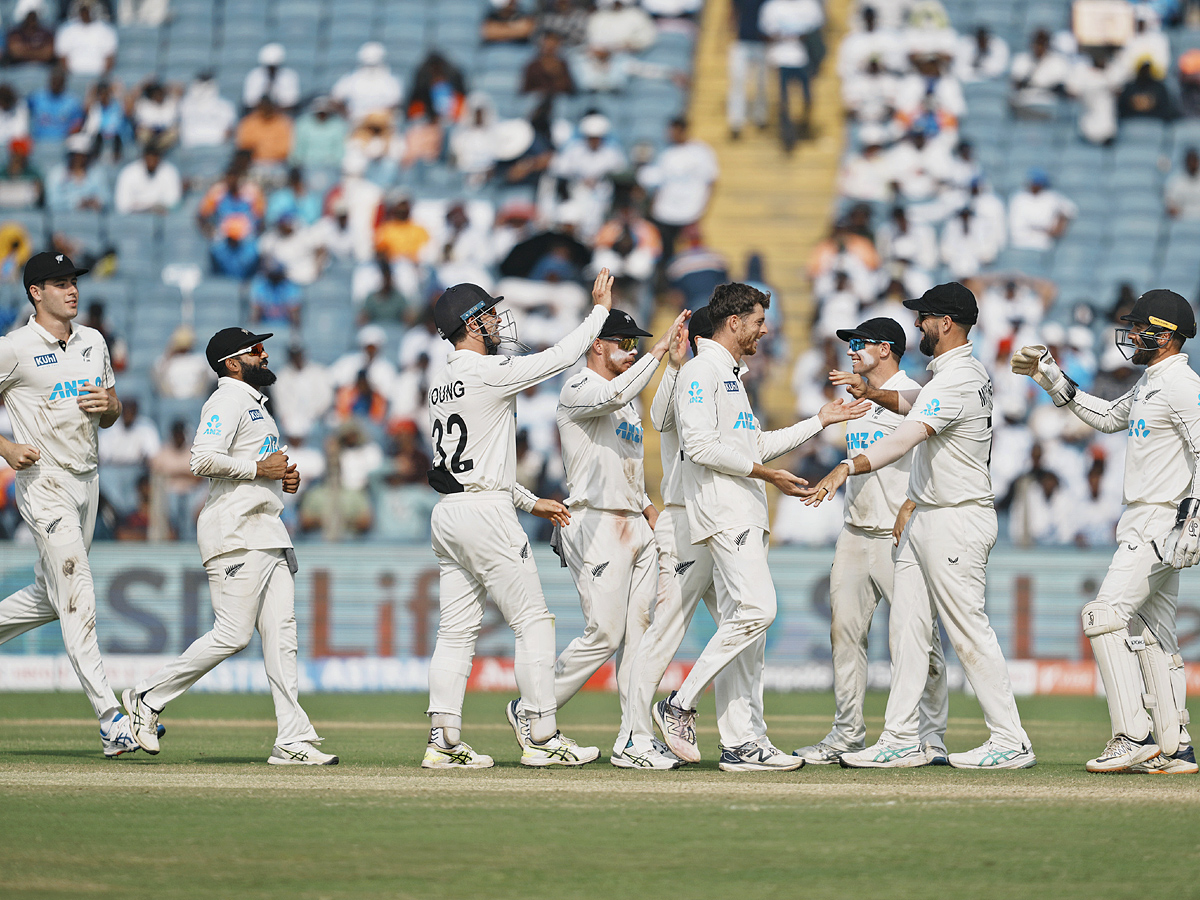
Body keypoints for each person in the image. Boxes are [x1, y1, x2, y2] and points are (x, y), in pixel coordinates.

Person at [803, 282, 1035, 769]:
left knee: (967, 630)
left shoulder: (956, 379)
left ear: (945, 323)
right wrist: (874, 394)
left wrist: (848, 466)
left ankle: (1010, 740)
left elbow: (905, 438)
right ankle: (902, 737)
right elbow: (913, 407)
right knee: (906, 632)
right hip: (928, 516)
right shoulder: (948, 377)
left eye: (924, 318)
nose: (918, 326)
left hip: (956, 516)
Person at [652, 283, 868, 769]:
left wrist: (820, 420)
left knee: (748, 635)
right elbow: (701, 446)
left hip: (744, 508)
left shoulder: (727, 374)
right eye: (757, 320)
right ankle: (679, 702)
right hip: (725, 511)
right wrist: (764, 474)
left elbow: (755, 444)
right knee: (758, 610)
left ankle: (743, 742)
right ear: (734, 323)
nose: (764, 329)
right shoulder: (700, 372)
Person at [421, 272, 617, 769]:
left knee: (455, 632)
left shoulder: (439, 380)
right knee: (533, 620)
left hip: (451, 513)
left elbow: (475, 459)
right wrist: (597, 314)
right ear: (470, 324)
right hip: (486, 512)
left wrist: (532, 502)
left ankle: (442, 741)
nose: (494, 321)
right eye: (486, 314)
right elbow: (555, 360)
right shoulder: (486, 371)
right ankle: (542, 736)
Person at [122, 328, 338, 766]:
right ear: (233, 364)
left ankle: (291, 739)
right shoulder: (227, 399)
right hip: (235, 531)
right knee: (233, 634)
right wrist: (260, 467)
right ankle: (146, 696)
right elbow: (201, 458)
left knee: (283, 636)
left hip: (267, 529)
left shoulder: (256, 405)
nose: (265, 355)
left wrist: (279, 476)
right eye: (256, 351)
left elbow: (251, 468)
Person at [1011, 290, 1199, 774]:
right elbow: (1109, 418)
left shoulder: (1180, 384)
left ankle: (1132, 734)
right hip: (1146, 517)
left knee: (1102, 615)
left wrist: (1193, 521)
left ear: (1166, 334)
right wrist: (1050, 376)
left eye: (1141, 328)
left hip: (1160, 518)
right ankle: (1175, 746)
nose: (1132, 335)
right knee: (1155, 634)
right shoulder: (1151, 383)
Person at [505, 307, 688, 766]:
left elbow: (625, 461)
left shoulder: (624, 398)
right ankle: (531, 708)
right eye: (623, 343)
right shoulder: (579, 387)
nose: (630, 350)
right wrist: (660, 352)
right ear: (596, 345)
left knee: (639, 635)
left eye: (635, 343)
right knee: (604, 634)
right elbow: (612, 395)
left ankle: (634, 739)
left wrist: (648, 508)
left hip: (633, 521)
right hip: (593, 523)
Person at [793, 317, 949, 767]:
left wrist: (913, 505)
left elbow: (930, 448)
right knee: (845, 634)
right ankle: (847, 734)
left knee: (921, 643)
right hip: (856, 532)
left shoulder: (917, 393)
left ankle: (930, 736)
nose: (852, 350)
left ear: (886, 350)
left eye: (860, 344)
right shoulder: (857, 400)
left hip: (901, 537)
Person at [0, 251, 139, 757]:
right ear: (36, 292)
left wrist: (113, 407)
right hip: (43, 482)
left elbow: (112, 410)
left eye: (74, 281)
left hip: (88, 481)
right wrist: (8, 448)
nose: (73, 290)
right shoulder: (14, 348)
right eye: (60, 283)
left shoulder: (93, 341)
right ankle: (111, 718)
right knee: (78, 588)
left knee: (49, 596)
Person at [727, 0, 769, 139]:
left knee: (761, 83)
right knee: (738, 82)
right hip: (742, 41)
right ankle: (736, 121)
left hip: (762, 43)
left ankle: (760, 117)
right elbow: (733, 11)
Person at [243, 43, 301, 112]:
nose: (271, 70)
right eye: (269, 67)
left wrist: (273, 109)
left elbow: (292, 102)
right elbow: (249, 102)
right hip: (258, 114)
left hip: (282, 115)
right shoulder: (254, 76)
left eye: (274, 67)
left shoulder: (289, 76)